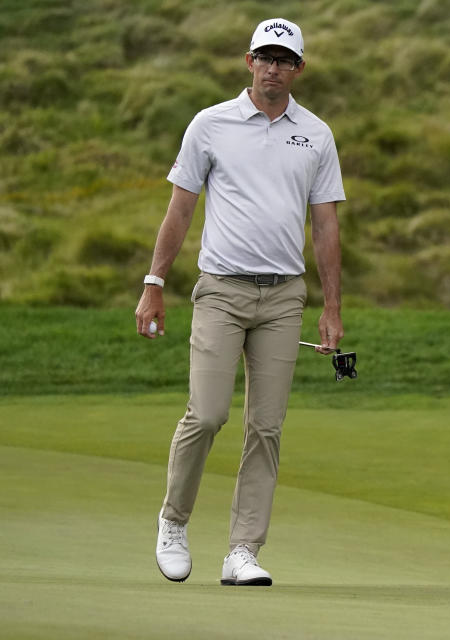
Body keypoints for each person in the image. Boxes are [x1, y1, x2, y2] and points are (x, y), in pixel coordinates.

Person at [135, 17, 346, 586]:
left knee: (267, 427)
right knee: (207, 414)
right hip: (221, 291)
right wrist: (154, 284)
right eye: (264, 56)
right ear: (248, 61)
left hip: (284, 298)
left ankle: (243, 551)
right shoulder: (210, 125)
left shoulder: (317, 135)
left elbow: (324, 225)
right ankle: (174, 522)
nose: (273, 67)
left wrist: (331, 309)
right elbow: (180, 209)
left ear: (299, 68)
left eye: (284, 59)